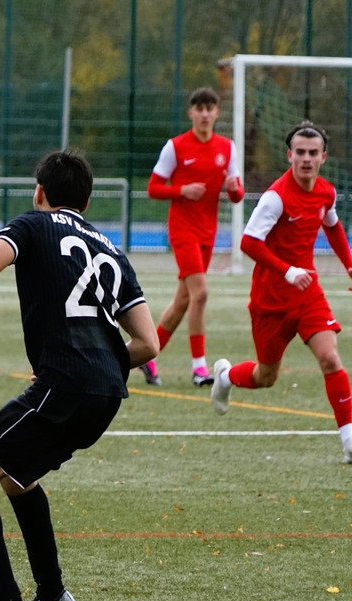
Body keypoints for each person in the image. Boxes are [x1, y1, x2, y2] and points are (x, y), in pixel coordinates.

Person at [0, 150, 158, 601]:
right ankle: (52, 594)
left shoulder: (32, 225)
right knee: (18, 476)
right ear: (87, 201)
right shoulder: (111, 249)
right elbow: (148, 343)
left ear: (40, 193)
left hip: (66, 384)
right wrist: (101, 365)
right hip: (107, 392)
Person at [210, 121, 352, 465]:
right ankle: (225, 376)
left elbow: (332, 225)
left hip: (308, 294)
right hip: (270, 300)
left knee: (330, 358)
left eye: (313, 153)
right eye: (300, 152)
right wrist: (287, 270)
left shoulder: (326, 193)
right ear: (289, 155)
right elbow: (248, 242)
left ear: (323, 157)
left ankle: (349, 442)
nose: (306, 159)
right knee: (265, 376)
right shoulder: (276, 197)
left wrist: (350, 265)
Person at [140, 87, 243, 387]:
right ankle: (199, 368)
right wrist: (182, 190)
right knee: (201, 294)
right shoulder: (175, 147)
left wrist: (233, 189)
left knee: (184, 300)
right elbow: (153, 188)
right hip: (182, 229)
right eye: (200, 109)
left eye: (210, 109)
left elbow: (237, 195)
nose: (205, 114)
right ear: (191, 113)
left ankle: (146, 355)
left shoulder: (227, 148)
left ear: (217, 113)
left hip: (208, 232)